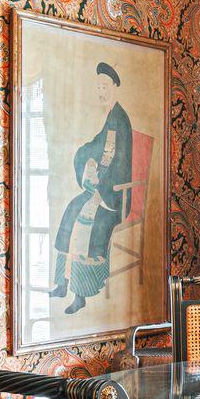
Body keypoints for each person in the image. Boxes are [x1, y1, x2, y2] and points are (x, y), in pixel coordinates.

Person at [50, 61, 133, 314]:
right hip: (102, 188)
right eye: (98, 86)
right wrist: (84, 155)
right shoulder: (110, 117)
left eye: (105, 86)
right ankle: (63, 281)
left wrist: (100, 191)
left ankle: (81, 293)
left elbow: (121, 163)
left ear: (115, 87)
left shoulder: (120, 119)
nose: (101, 91)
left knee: (88, 220)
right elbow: (98, 145)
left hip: (116, 195)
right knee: (71, 209)